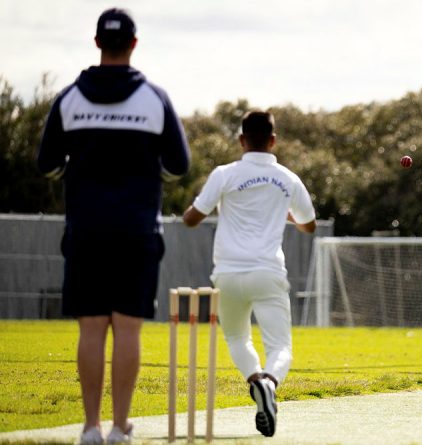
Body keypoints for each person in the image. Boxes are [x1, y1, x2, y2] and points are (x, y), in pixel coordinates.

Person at [36, 8, 190, 444]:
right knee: (127, 328)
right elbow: (179, 166)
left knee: (91, 329)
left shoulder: (69, 99)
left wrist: (79, 168)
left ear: (97, 42)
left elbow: (46, 165)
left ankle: (90, 427)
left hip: (85, 228)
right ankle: (121, 426)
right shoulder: (154, 99)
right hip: (137, 230)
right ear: (134, 45)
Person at [182, 111, 316, 437]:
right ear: (273, 141)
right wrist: (284, 215)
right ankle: (269, 382)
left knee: (236, 337)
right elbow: (309, 225)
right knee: (281, 347)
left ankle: (256, 380)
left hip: (227, 272)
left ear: (242, 140)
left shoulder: (224, 174)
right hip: (268, 271)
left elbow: (191, 219)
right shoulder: (287, 178)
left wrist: (213, 205)